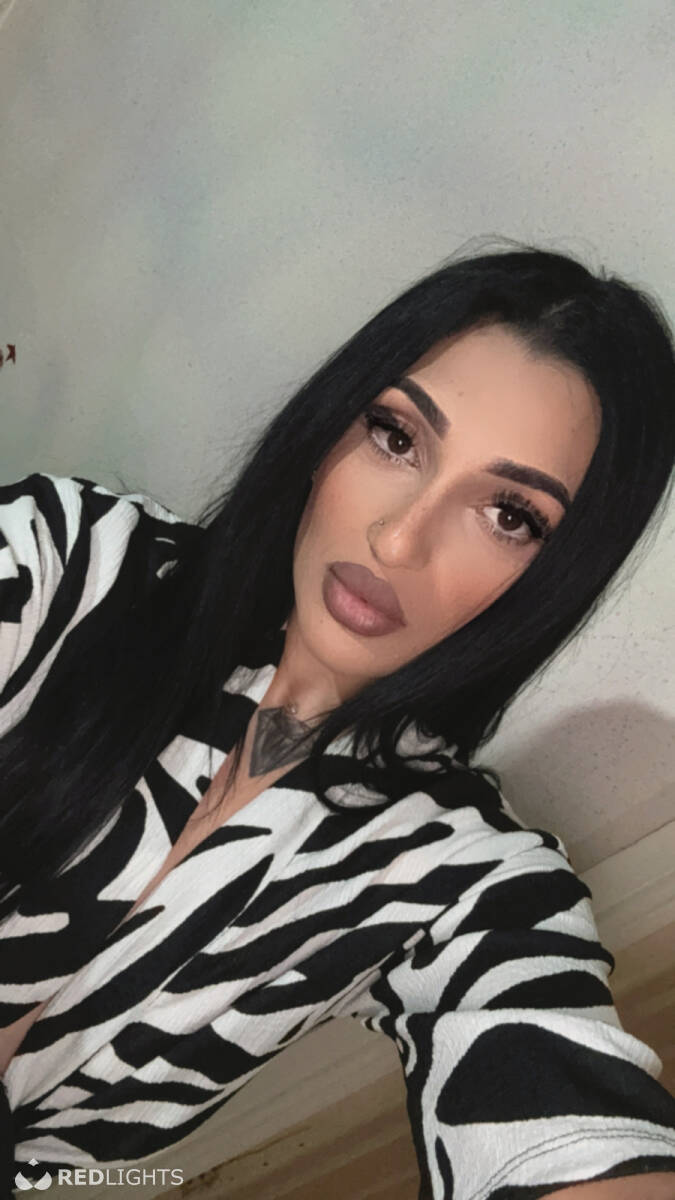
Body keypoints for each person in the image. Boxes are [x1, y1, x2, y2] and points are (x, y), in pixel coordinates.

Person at [1, 239, 674, 1199]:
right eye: (396, 438)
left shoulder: (459, 872)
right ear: (330, 428)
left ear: (553, 577)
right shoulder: (66, 567)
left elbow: (559, 1118)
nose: (398, 540)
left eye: (508, 515)